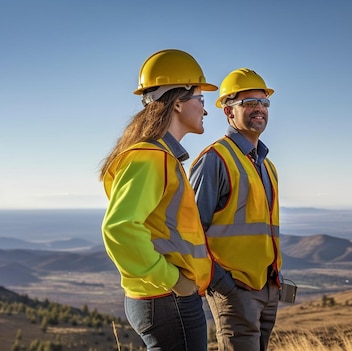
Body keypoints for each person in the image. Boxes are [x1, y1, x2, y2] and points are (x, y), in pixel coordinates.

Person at [99, 49, 217, 350]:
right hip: (167, 300)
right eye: (200, 98)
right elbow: (119, 228)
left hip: (162, 298)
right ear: (178, 102)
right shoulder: (151, 158)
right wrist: (174, 280)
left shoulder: (159, 156)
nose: (205, 109)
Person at [189, 68, 282, 351]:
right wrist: (223, 284)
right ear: (228, 112)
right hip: (234, 290)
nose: (259, 109)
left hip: (267, 287)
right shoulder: (215, 160)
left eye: (264, 102)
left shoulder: (267, 165)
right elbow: (191, 231)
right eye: (249, 103)